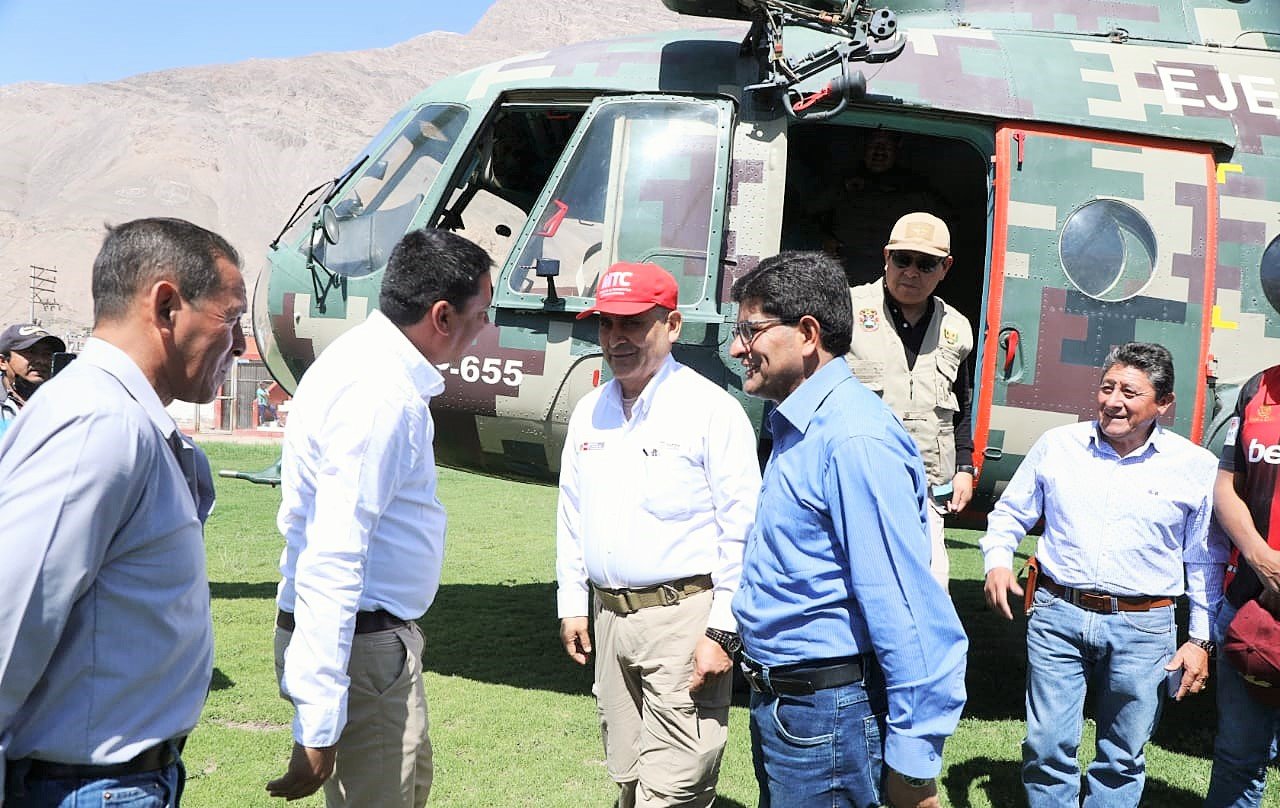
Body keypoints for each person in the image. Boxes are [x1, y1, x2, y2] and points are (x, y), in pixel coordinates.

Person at [0, 217, 246, 806]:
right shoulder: (99, 423)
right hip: (86, 788)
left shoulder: (120, 417)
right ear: (166, 305)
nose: (238, 345)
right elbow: (12, 616)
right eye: (230, 319)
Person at [727, 250, 967, 808]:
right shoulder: (803, 423)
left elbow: (906, 609)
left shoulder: (853, 440)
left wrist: (911, 763)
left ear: (808, 334)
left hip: (827, 717)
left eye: (751, 330)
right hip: (792, 709)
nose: (739, 348)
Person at [268, 228, 493, 808]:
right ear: (442, 315)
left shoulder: (365, 364)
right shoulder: (380, 395)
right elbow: (334, 552)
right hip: (362, 648)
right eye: (480, 314)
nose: (484, 331)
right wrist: (318, 722)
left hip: (370, 644)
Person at [980, 342, 1222, 807]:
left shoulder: (1194, 467)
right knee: (1047, 747)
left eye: (1130, 392)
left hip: (1144, 627)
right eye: (1107, 387)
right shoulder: (1058, 446)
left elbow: (1204, 561)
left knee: (1122, 757)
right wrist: (997, 559)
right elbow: (1010, 513)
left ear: (1163, 404)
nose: (1113, 401)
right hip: (1058, 615)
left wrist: (1199, 640)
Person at [556, 261, 760, 807]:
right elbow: (572, 513)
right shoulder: (588, 412)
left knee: (674, 787)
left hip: (683, 619)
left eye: (633, 323)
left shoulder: (711, 411)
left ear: (671, 325)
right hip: (609, 619)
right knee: (627, 774)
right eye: (606, 325)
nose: (616, 338)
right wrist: (572, 602)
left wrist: (722, 631)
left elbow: (741, 528)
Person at [847, 212, 973, 588]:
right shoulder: (846, 310)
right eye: (903, 259)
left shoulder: (956, 329)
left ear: (944, 267)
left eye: (926, 263)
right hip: (858, 483)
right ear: (886, 257)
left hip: (926, 489)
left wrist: (965, 466)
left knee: (931, 589)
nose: (912, 272)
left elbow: (960, 406)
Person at [1204, 363, 1280, 807]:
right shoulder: (1258, 387)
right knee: (1239, 754)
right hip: (1253, 608)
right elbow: (1225, 485)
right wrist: (1257, 554)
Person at [811, 129, 944, 285]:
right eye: (874, 144)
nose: (879, 151)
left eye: (886, 145)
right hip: (843, 264)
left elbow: (940, 225)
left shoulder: (914, 188)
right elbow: (810, 212)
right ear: (864, 147)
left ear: (897, 148)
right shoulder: (843, 179)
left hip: (893, 267)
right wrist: (825, 239)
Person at [0, 323, 67, 433]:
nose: (41, 361)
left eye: (47, 354)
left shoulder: (63, 401)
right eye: (30, 352)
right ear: (3, 362)